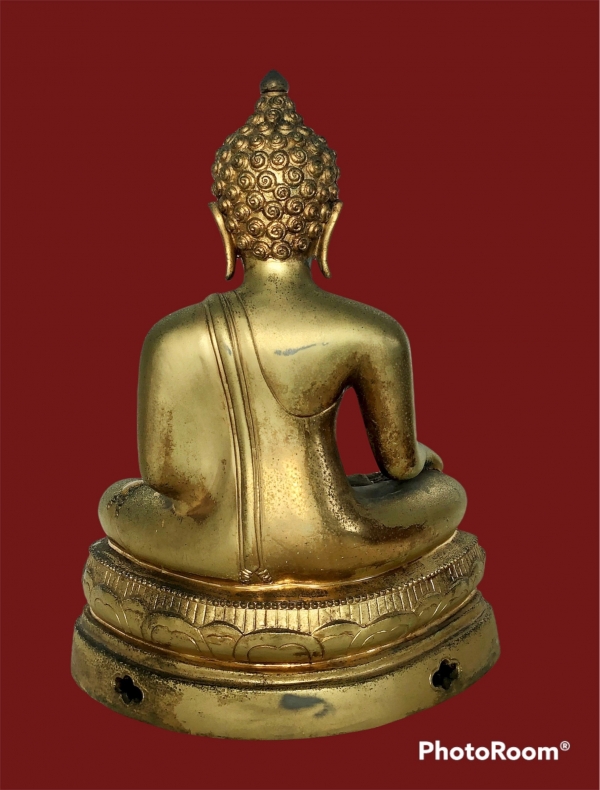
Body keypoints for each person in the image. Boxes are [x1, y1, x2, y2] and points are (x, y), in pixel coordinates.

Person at [99, 72, 466, 584]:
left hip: (210, 549)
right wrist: (422, 459)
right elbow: (401, 465)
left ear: (223, 223)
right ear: (329, 222)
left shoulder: (172, 336)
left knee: (118, 499)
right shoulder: (372, 332)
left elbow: (163, 476)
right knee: (445, 494)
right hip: (334, 540)